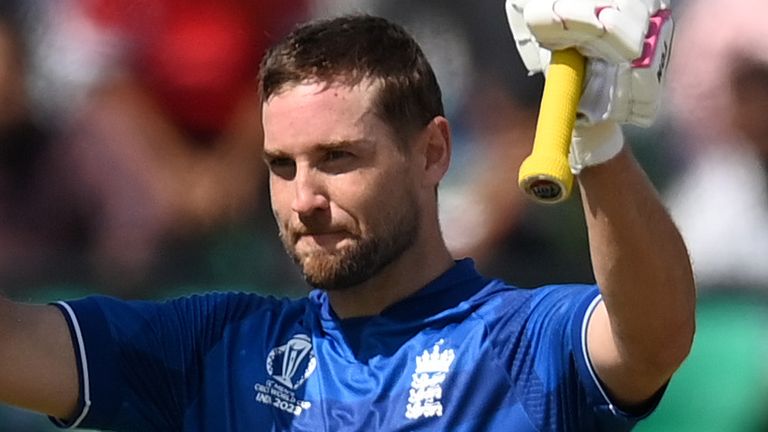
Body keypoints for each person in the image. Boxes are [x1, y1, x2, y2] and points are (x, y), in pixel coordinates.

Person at [0, 6, 694, 432]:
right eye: (281, 166)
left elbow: (653, 339)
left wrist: (595, 141)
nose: (302, 199)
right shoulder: (214, 350)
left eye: (336, 158)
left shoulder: (515, 342)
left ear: (432, 153)